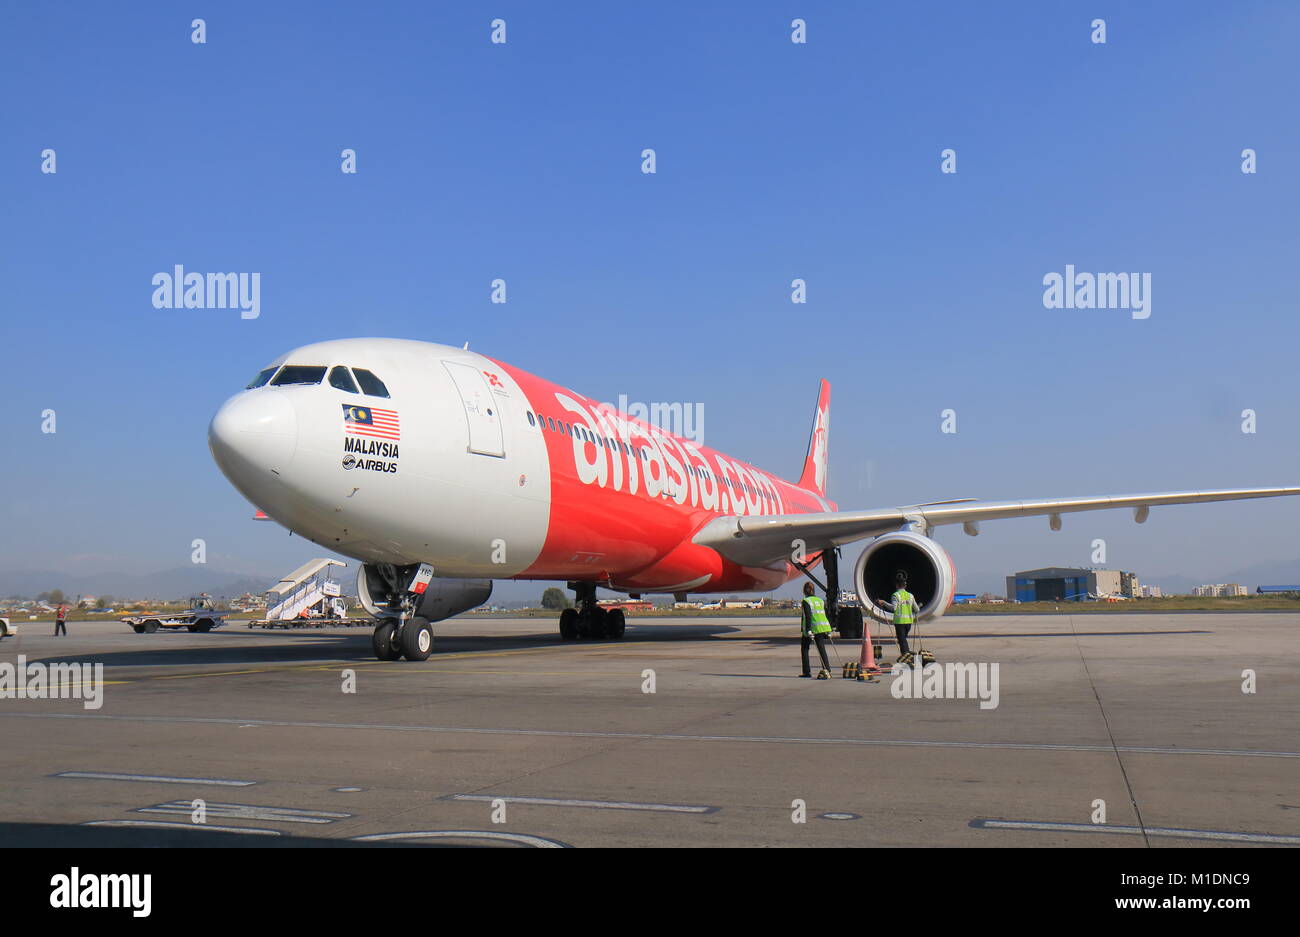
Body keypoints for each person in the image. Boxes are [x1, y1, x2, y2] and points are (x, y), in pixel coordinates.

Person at [880, 572, 919, 665]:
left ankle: (907, 659)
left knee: (902, 642)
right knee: (903, 640)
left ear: (897, 585)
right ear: (905, 585)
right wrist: (914, 616)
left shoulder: (895, 595)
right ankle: (907, 657)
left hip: (900, 622)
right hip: (908, 623)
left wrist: (884, 603)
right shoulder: (910, 595)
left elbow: (893, 608)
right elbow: (917, 609)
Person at [799, 582, 833, 679]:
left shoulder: (806, 601)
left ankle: (807, 672)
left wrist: (808, 630)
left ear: (804, 591)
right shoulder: (820, 600)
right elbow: (824, 615)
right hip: (822, 628)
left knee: (805, 649)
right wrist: (829, 629)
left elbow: (808, 616)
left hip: (812, 629)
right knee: (821, 649)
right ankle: (827, 670)